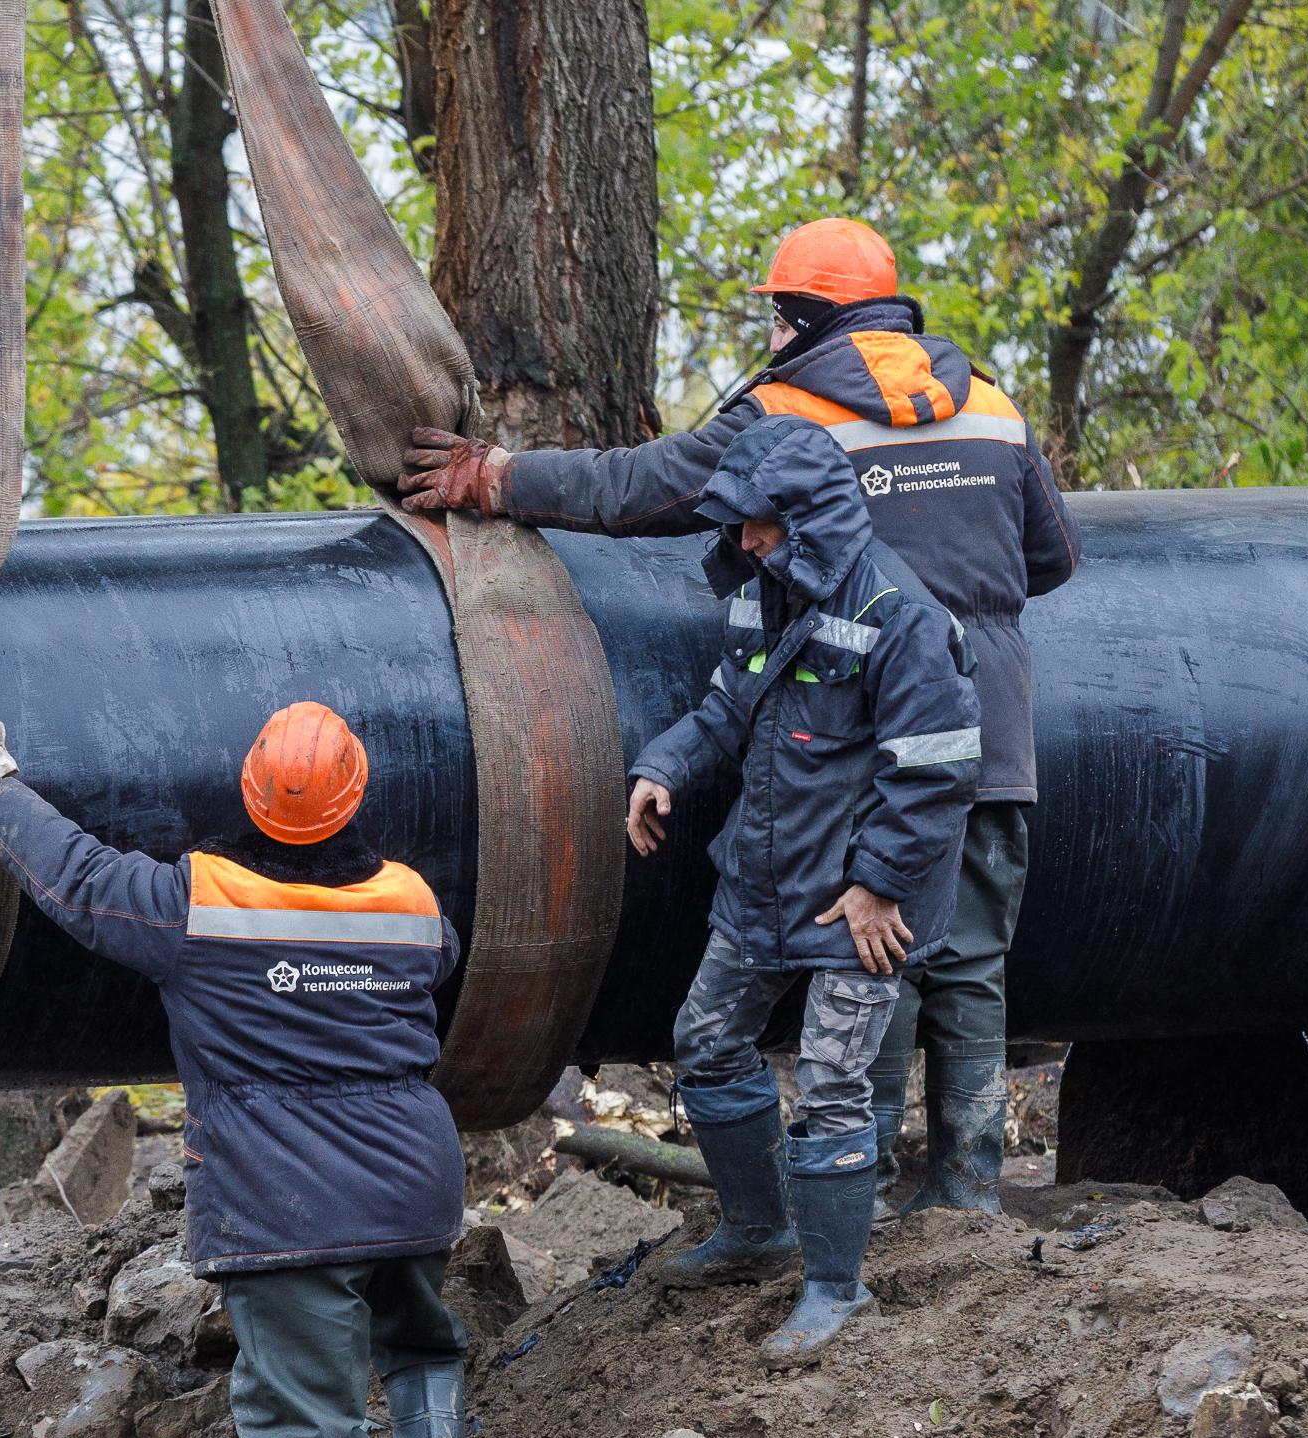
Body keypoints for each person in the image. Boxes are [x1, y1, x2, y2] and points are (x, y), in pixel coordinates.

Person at [403, 217, 1075, 1214]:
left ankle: (868, 1190)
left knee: (875, 952)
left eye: (775, 316)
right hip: (994, 741)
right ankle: (971, 1193)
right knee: (971, 962)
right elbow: (1052, 559)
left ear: (806, 316)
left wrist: (499, 477)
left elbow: (646, 487)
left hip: (859, 748)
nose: (768, 337)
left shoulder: (788, 410)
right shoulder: (987, 403)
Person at [0, 694, 469, 1438]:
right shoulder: (414, 905)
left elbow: (74, 878)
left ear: (248, 792)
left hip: (286, 1207)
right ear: (358, 797)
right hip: (415, 1186)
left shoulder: (196, 905)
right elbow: (440, 964)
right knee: (420, 1345)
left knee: (308, 1430)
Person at [624, 416, 981, 1367]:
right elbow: (726, 708)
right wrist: (664, 767)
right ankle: (757, 1229)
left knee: (832, 1084)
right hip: (766, 880)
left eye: (759, 526)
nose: (743, 542)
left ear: (811, 519)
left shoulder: (898, 616)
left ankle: (834, 1286)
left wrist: (878, 888)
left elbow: (938, 771)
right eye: (738, 525)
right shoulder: (763, 594)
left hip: (861, 908)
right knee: (704, 1040)